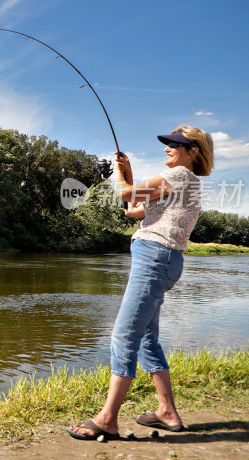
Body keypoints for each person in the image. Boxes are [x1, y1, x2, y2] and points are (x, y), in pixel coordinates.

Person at [67, 124, 214, 441]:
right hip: (160, 259)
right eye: (167, 143)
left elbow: (124, 195)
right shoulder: (179, 182)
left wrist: (121, 178)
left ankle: (107, 419)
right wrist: (128, 171)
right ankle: (167, 412)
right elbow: (133, 210)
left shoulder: (181, 177)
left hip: (155, 259)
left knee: (123, 335)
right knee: (146, 338)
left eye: (175, 144)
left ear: (194, 152)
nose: (167, 148)